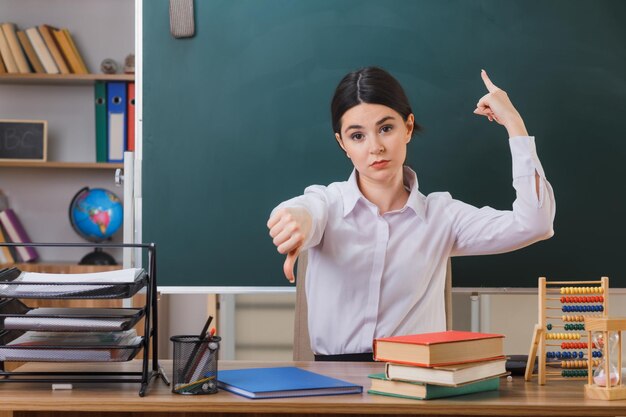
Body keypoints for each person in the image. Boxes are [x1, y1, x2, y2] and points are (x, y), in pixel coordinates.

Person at [267, 67, 555, 361]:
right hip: (334, 386)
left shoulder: (442, 216)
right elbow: (303, 209)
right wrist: (295, 219)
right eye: (357, 136)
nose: (375, 147)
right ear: (342, 144)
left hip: (415, 382)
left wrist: (513, 123)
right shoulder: (328, 204)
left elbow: (535, 223)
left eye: (386, 128)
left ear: (407, 127)